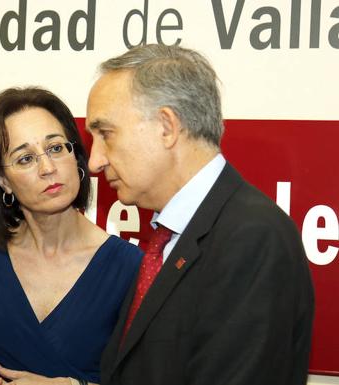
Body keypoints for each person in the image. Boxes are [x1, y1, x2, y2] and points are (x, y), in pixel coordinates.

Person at [86, 44, 315, 385]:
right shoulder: (170, 237)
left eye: (105, 134)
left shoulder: (253, 238)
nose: (95, 161)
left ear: (166, 127)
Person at [0, 87, 142, 385]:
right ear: (3, 181)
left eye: (56, 148)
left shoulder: (129, 266)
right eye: (25, 159)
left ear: (76, 156)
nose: (48, 168)